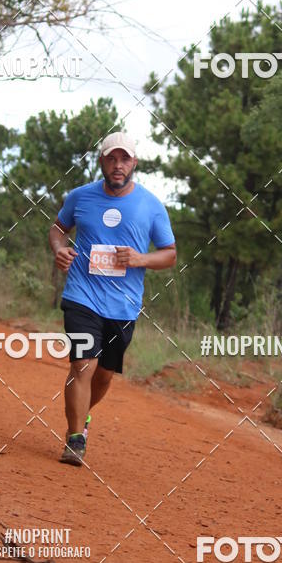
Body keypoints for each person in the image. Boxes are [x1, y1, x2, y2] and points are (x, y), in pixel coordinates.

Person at [49, 132, 176, 466]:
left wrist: (139, 259)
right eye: (111, 158)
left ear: (134, 163)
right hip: (81, 296)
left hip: (123, 306)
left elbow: (170, 254)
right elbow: (57, 229)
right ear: (101, 160)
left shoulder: (151, 205)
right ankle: (75, 440)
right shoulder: (80, 197)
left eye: (125, 159)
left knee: (103, 376)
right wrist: (60, 250)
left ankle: (81, 415)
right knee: (81, 365)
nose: (118, 166)